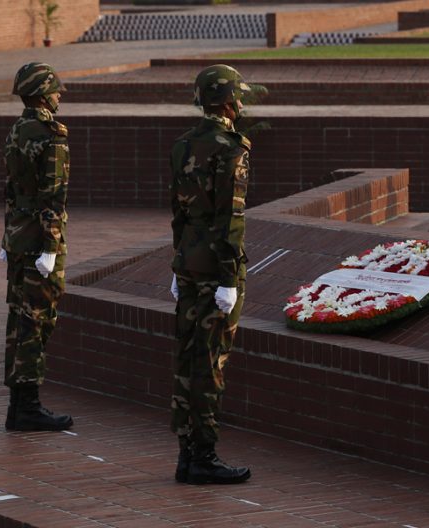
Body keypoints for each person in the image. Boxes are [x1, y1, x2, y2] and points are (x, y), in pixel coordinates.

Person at [168, 64, 252, 485]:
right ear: (227, 101)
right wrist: (229, 279)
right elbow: (230, 219)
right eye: (238, 97)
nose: (241, 104)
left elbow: (179, 213)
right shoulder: (231, 148)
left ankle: (187, 453)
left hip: (188, 264)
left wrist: (178, 261)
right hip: (214, 269)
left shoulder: (183, 145)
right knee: (210, 362)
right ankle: (203, 455)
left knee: (188, 358)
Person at [0, 62, 73, 431]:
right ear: (43, 93)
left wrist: (7, 236)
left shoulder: (17, 130)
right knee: (37, 320)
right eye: (55, 90)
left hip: (17, 236)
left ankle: (18, 404)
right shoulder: (51, 135)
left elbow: (11, 191)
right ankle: (27, 406)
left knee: (18, 318)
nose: (59, 95)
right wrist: (50, 246)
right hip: (38, 242)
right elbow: (53, 197)